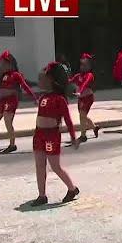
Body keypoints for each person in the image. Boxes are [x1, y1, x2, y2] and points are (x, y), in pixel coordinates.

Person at [30, 62, 80, 207]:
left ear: (51, 79)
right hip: (39, 134)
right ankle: (42, 195)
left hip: (52, 135)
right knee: (39, 165)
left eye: (43, 78)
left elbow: (68, 120)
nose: (40, 81)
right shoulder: (43, 98)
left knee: (55, 166)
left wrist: (73, 137)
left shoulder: (60, 99)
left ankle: (72, 188)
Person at [0, 50, 38, 155]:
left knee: (7, 120)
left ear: (10, 64)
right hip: (2, 101)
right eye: (1, 64)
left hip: (11, 101)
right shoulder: (3, 75)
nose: (2, 66)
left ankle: (12, 144)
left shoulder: (16, 75)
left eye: (4, 63)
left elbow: (25, 86)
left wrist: (34, 98)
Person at [69, 53, 100, 142]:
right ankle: (95, 127)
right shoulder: (78, 76)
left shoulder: (89, 75)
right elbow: (70, 81)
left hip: (88, 98)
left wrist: (79, 91)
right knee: (83, 116)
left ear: (90, 66)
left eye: (85, 65)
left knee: (82, 115)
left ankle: (83, 136)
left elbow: (85, 84)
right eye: (82, 65)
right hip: (81, 98)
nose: (83, 67)